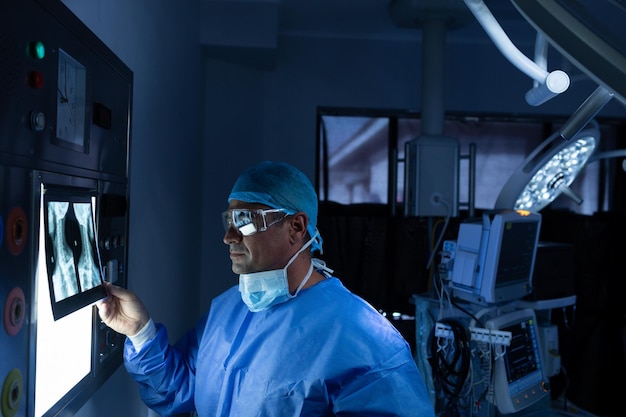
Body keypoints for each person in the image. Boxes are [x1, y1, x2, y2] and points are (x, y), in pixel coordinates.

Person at [97, 160, 436, 417]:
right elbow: (180, 391)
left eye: (245, 221)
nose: (229, 237)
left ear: (296, 227)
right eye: (229, 221)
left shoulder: (364, 340)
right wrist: (140, 332)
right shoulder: (228, 309)